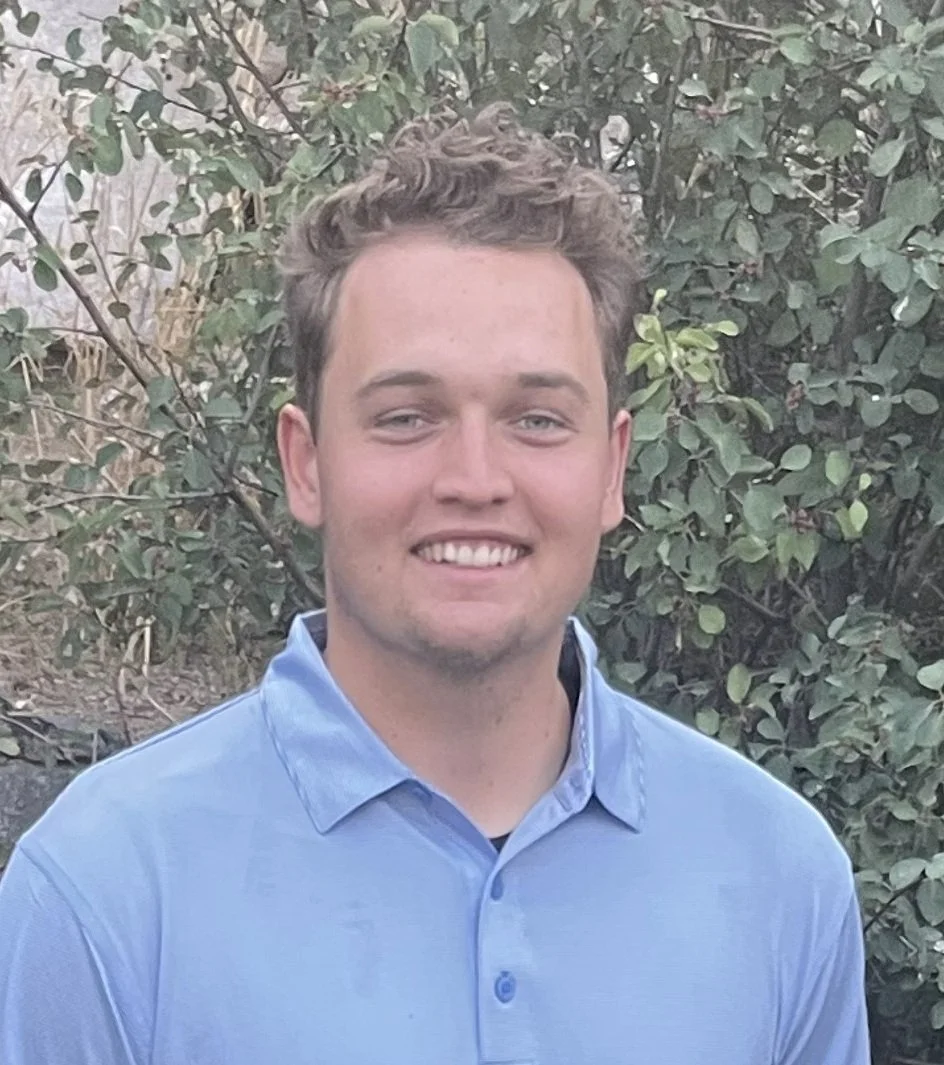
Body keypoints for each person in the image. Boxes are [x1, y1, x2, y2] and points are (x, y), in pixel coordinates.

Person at [0, 104, 870, 1064]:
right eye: (407, 416)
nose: (474, 478)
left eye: (537, 419)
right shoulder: (103, 889)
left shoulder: (782, 879)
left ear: (613, 468)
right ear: (307, 461)